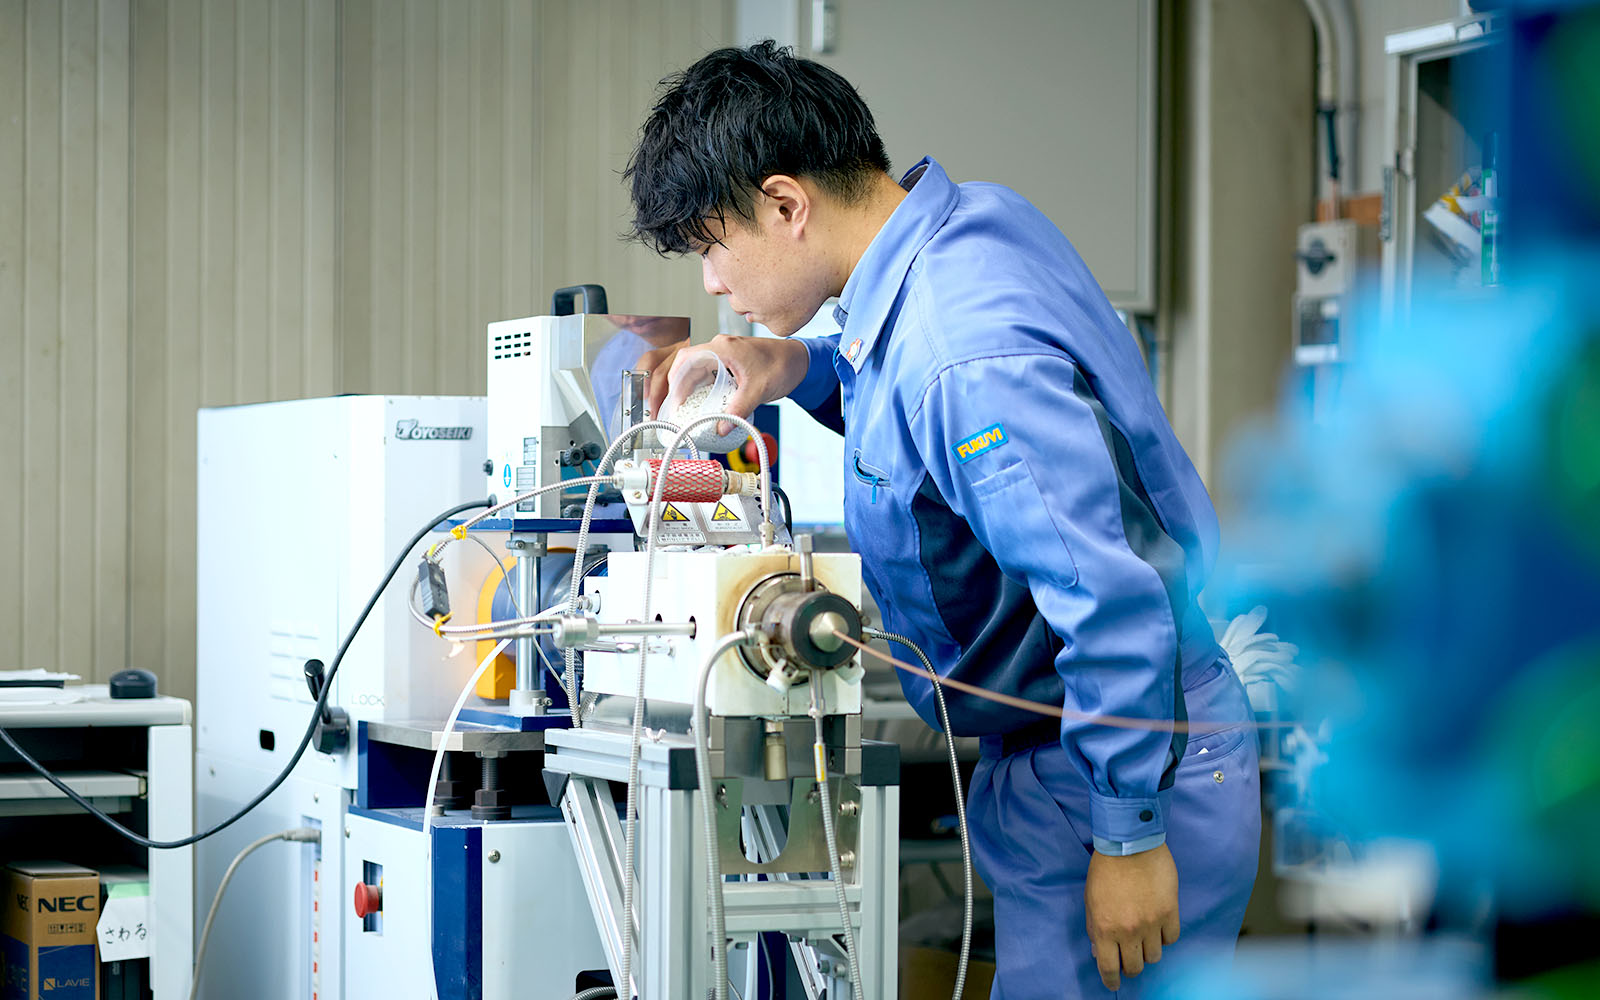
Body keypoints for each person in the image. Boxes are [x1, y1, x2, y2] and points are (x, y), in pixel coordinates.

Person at [626, 41, 1259, 999]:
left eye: (713, 245)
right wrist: (791, 366)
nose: (714, 282)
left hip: (1128, 755)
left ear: (786, 204)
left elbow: (1108, 592)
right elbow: (912, 405)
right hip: (1077, 748)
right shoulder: (966, 230)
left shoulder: (964, 353)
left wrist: (1129, 832)